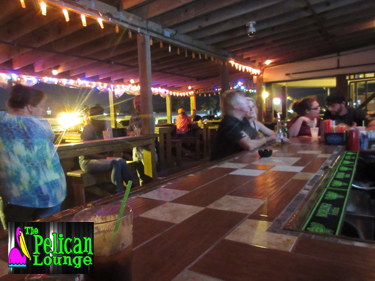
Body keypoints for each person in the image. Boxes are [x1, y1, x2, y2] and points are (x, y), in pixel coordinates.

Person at [0, 84, 66, 222]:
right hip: (53, 189)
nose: (43, 110)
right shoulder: (43, 124)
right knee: (46, 239)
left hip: (18, 194)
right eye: (41, 106)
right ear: (30, 107)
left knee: (19, 240)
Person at [80, 106, 132, 192]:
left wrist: (107, 154)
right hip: (87, 161)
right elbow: (85, 151)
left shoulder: (104, 126)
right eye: (98, 115)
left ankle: (132, 189)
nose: (101, 117)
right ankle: (118, 192)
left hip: (102, 158)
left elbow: (109, 144)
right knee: (116, 163)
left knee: (122, 161)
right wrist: (103, 157)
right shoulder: (88, 128)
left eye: (102, 114)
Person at [211, 90, 267, 161]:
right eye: (243, 99)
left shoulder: (243, 121)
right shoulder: (229, 122)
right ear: (234, 105)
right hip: (222, 165)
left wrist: (261, 140)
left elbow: (256, 138)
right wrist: (265, 139)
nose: (247, 101)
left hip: (238, 161)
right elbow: (250, 145)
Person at [127, 95, 153, 186]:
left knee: (149, 177)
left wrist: (137, 133)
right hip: (136, 150)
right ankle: (143, 198)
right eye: (135, 103)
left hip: (147, 149)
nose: (137, 105)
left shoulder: (149, 115)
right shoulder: (133, 116)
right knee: (141, 177)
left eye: (139, 102)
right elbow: (129, 130)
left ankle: (153, 197)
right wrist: (131, 133)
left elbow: (149, 130)